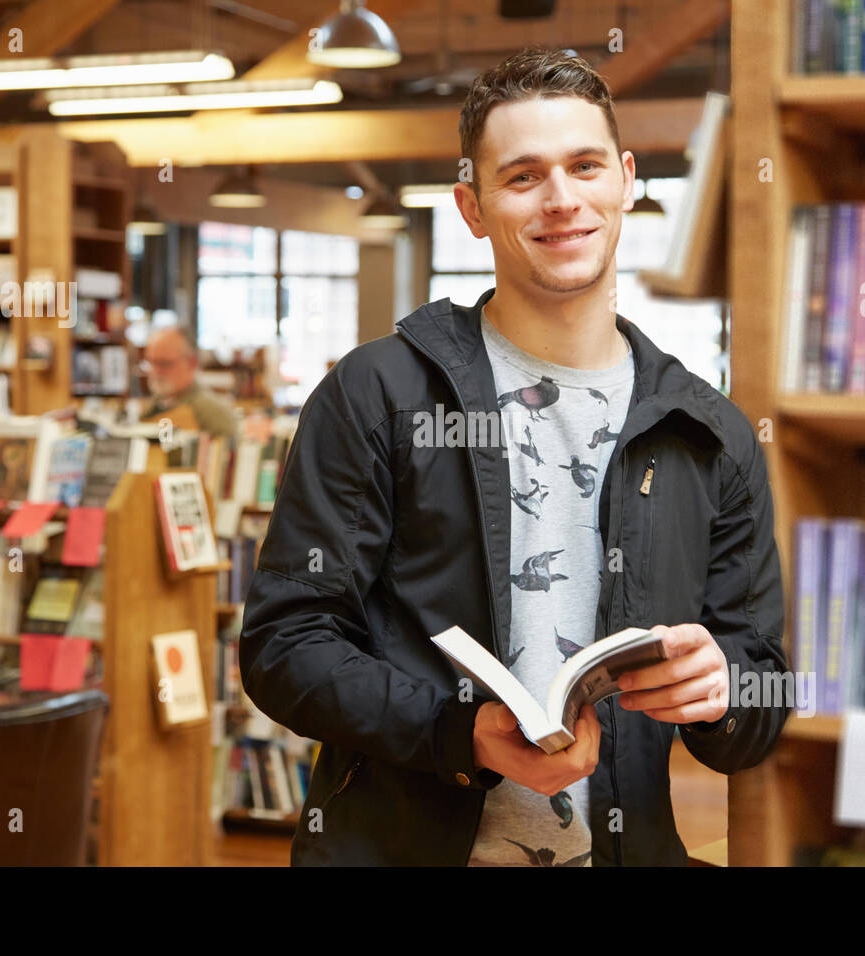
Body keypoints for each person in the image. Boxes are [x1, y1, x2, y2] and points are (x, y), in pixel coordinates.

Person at [239, 47, 791, 866]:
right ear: (472, 205)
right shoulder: (379, 393)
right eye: (524, 176)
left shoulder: (708, 433)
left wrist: (721, 691)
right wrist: (456, 732)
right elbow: (286, 644)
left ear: (627, 180)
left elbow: (761, 704)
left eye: (585, 166)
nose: (563, 200)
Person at [141, 327, 239, 441]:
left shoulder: (209, 410)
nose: (155, 371)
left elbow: (227, 452)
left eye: (164, 363)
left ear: (192, 362)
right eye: (151, 362)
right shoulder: (155, 403)